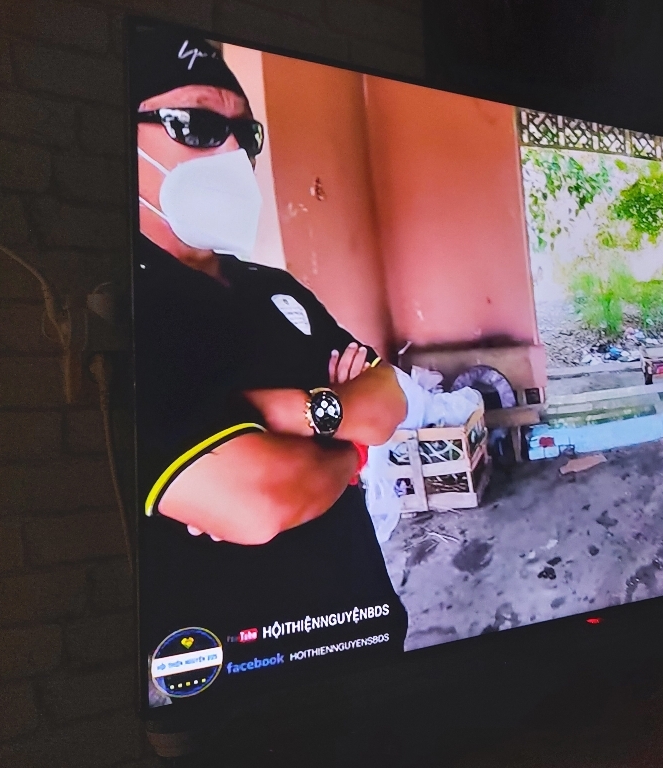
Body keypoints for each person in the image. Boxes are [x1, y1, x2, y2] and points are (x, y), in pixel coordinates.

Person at [131, 28, 409, 696]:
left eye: (245, 134)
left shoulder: (272, 288)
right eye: (196, 125)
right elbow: (257, 503)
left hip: (363, 629)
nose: (232, 153)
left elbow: (389, 398)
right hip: (245, 678)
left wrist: (289, 413)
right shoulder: (128, 308)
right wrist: (350, 449)